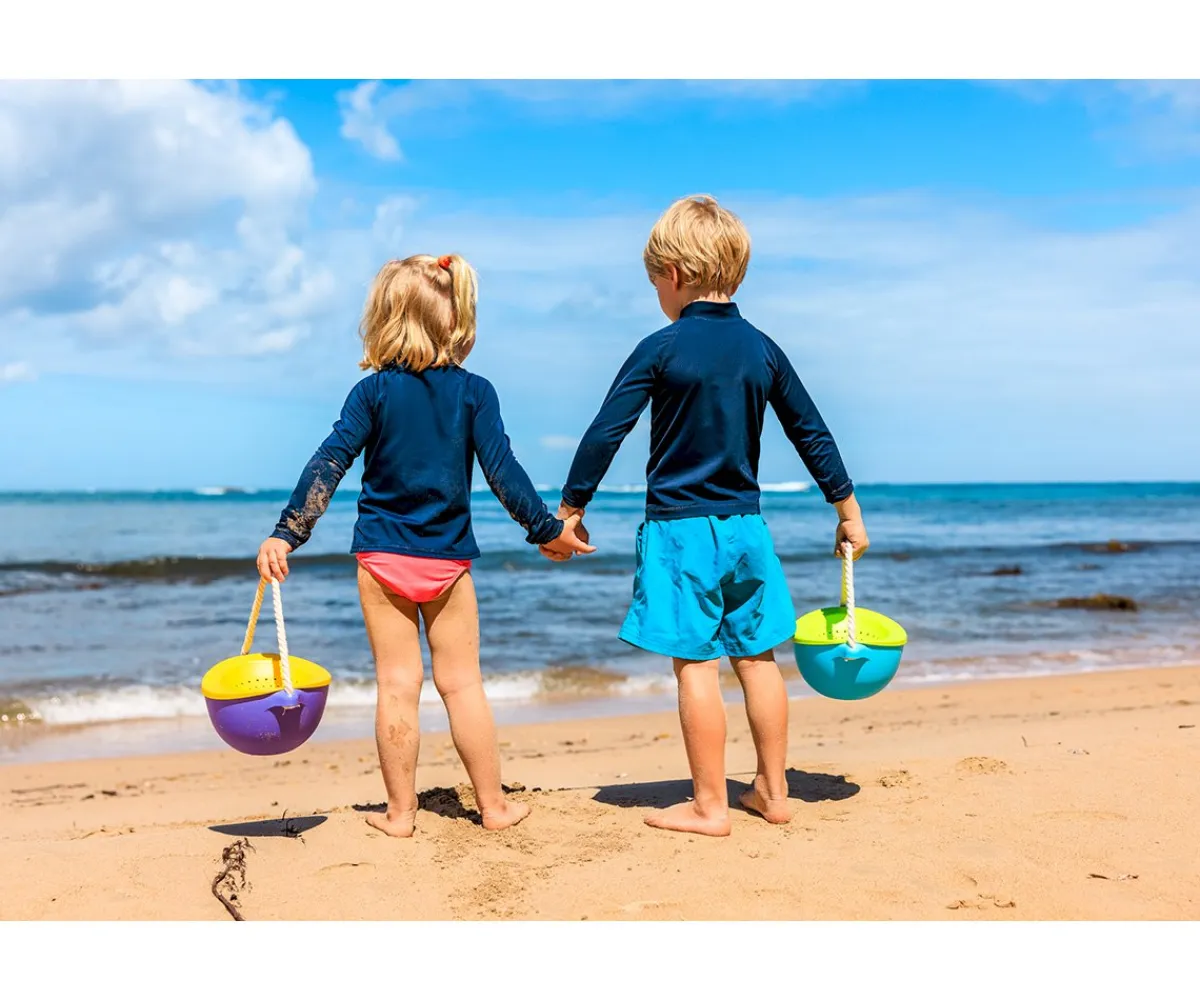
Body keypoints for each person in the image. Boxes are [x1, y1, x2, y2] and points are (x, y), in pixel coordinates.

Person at [546, 196, 868, 837]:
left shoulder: (660, 347)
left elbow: (606, 431)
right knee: (758, 658)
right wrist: (847, 510)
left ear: (672, 275)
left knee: (695, 664)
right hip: (747, 528)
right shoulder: (762, 348)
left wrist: (570, 508)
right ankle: (774, 792)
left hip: (679, 531)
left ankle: (709, 805)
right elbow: (812, 432)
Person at [257, 253, 594, 838]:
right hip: (447, 562)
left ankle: (400, 815)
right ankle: (494, 807)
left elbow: (328, 463)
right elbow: (502, 470)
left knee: (396, 685)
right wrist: (547, 531)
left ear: (385, 318)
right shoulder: (475, 393)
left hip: (381, 559)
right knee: (463, 685)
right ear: (457, 319)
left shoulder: (371, 394)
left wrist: (288, 532)